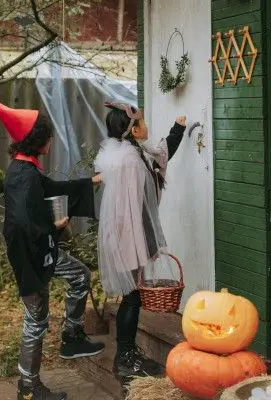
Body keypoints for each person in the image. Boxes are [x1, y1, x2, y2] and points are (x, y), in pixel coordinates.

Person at [0, 94, 105, 400]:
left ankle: (72, 336)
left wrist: (93, 181)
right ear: (37, 140)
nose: (51, 140)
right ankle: (28, 387)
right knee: (36, 321)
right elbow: (20, 225)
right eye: (48, 137)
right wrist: (54, 226)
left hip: (42, 251)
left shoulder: (27, 170)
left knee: (79, 275)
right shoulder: (23, 177)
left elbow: (55, 189)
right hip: (31, 257)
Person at [93, 103, 186, 384]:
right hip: (126, 235)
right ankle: (125, 359)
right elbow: (131, 206)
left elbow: (160, 154)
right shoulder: (130, 161)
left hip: (124, 234)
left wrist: (178, 129)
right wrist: (138, 242)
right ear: (132, 130)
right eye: (142, 122)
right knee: (132, 297)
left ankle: (128, 353)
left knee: (131, 296)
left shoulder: (128, 151)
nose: (146, 126)